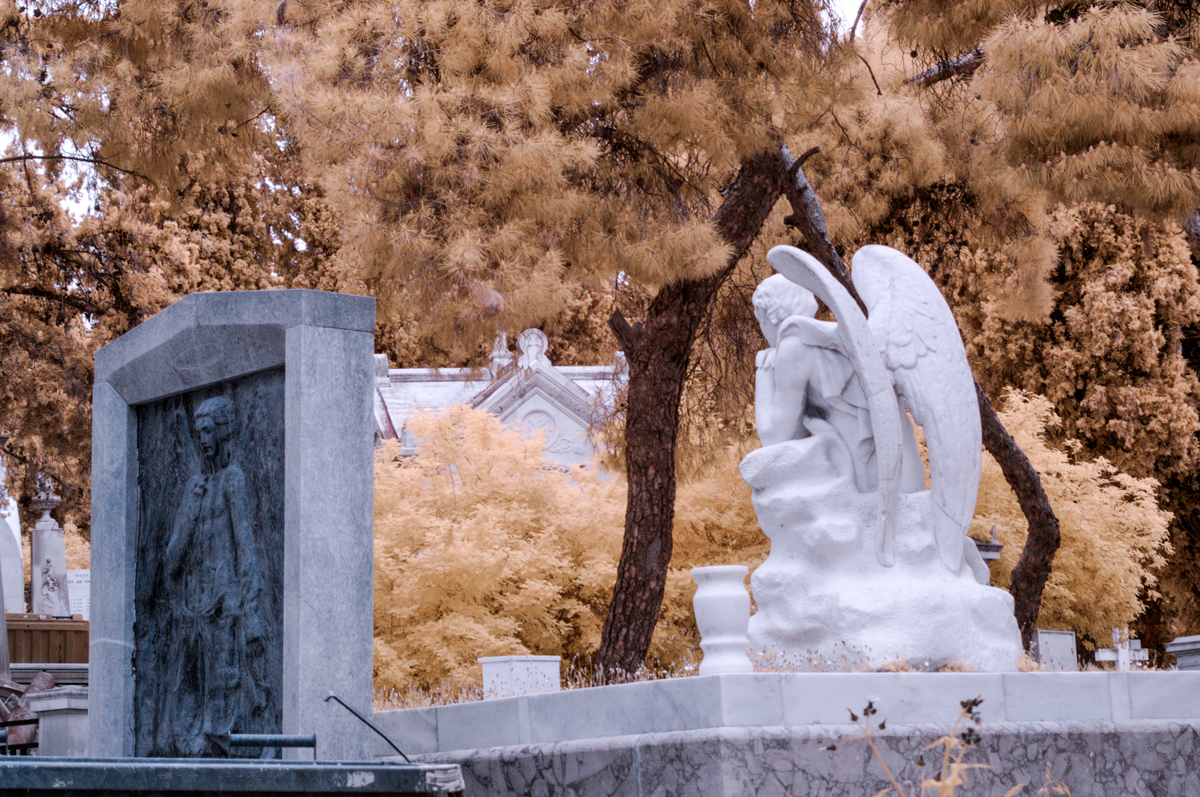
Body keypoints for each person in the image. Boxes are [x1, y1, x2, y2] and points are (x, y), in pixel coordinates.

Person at [158, 396, 267, 757]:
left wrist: (251, 615)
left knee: (222, 697)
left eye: (208, 431)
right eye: (199, 432)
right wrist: (189, 510)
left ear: (223, 431)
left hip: (225, 608)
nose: (203, 439)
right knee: (185, 696)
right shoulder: (194, 488)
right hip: (192, 610)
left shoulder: (233, 480)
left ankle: (223, 761)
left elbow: (246, 548)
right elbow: (171, 560)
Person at [752, 274, 924, 494]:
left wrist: (764, 373)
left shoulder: (795, 345)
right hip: (903, 472)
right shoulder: (839, 336)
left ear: (769, 316)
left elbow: (774, 436)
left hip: (872, 484)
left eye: (760, 322)